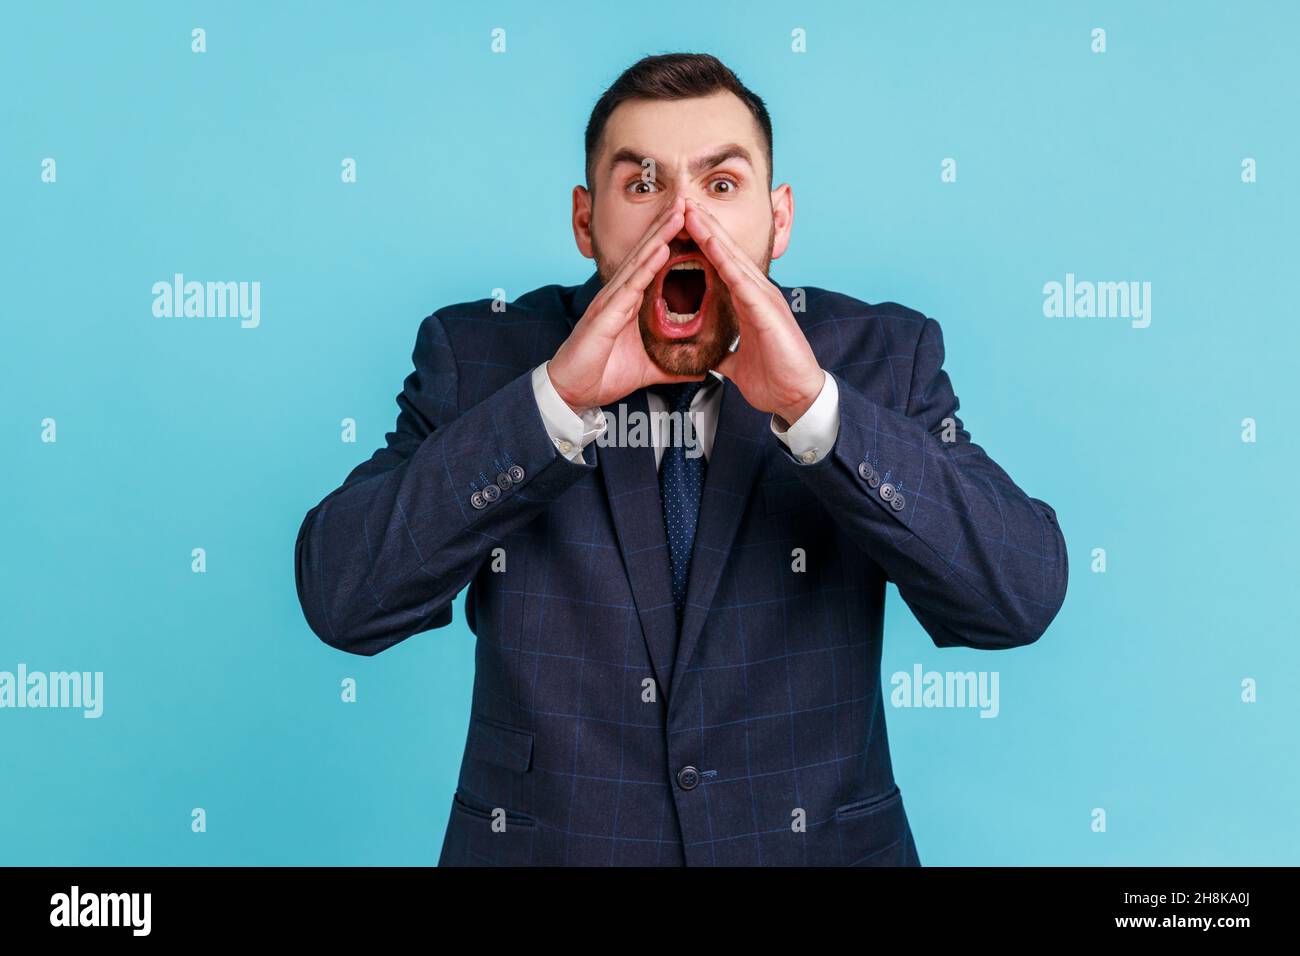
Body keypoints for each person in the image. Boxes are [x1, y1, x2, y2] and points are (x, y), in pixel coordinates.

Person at [293, 52, 1069, 866]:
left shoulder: (880, 358)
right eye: (642, 186)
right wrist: (554, 404)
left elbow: (1017, 597)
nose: (683, 222)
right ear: (585, 221)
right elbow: (343, 599)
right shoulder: (484, 358)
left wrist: (818, 414)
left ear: (781, 219)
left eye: (721, 186)